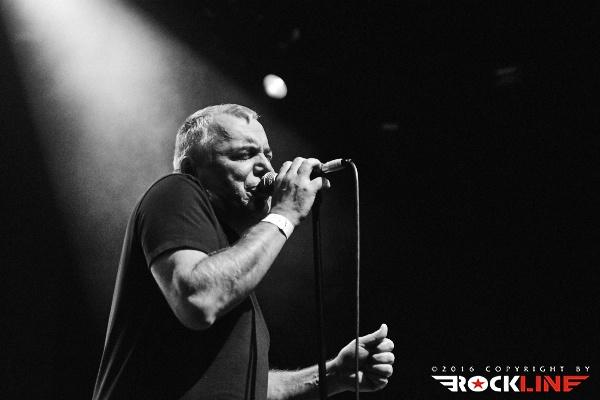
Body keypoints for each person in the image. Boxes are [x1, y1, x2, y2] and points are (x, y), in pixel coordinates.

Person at [92, 104, 394, 400]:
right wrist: (285, 213)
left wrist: (334, 374)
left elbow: (249, 387)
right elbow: (198, 299)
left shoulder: (229, 264)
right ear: (191, 169)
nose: (266, 168)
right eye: (244, 154)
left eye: (267, 155)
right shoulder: (174, 190)